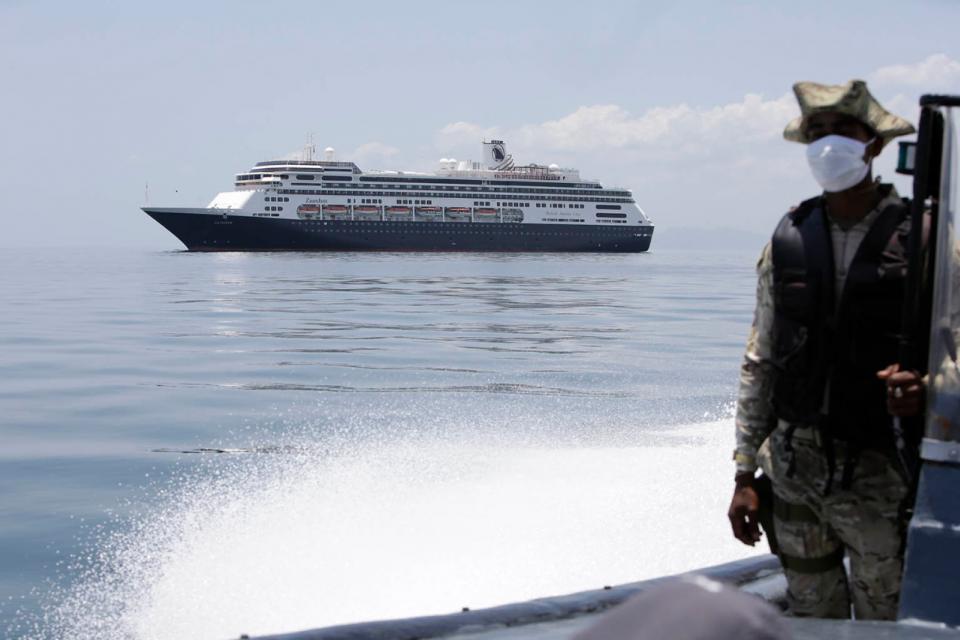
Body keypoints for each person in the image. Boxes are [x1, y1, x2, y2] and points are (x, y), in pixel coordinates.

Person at [726, 79, 925, 620]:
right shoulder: (790, 235)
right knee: (812, 616)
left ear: (874, 144)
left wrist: (931, 388)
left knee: (888, 616)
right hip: (794, 474)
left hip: (885, 472)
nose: (828, 144)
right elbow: (760, 359)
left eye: (843, 131)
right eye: (817, 133)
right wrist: (744, 475)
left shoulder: (926, 237)